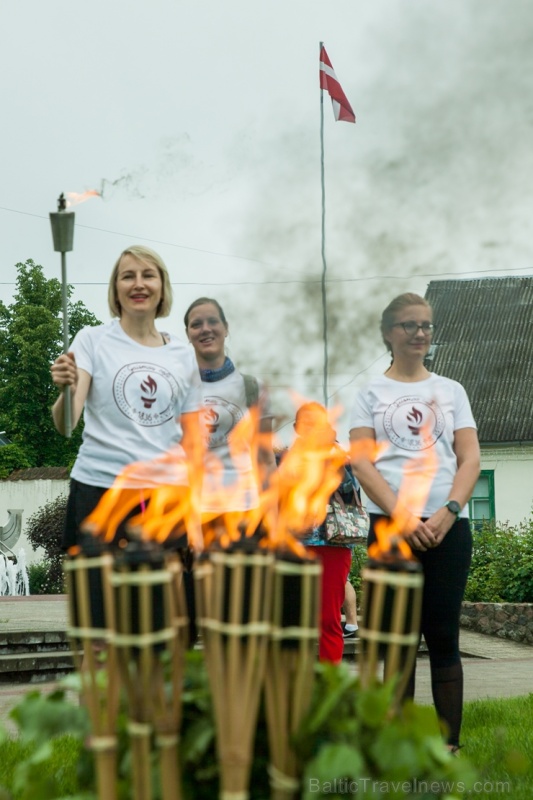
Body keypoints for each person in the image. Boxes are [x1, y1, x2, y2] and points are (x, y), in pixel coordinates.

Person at [349, 292, 480, 752]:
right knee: (398, 640)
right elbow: (362, 464)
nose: (419, 334)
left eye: (426, 326)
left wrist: (450, 511)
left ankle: (449, 747)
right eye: (409, 325)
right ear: (388, 333)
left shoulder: (451, 391)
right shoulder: (369, 394)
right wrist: (403, 515)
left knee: (443, 633)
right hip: (391, 529)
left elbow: (470, 458)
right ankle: (398, 746)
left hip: (448, 529)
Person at [51, 244, 202, 551]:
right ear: (115, 289)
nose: (138, 284)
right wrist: (66, 389)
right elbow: (67, 425)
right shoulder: (92, 340)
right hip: (100, 490)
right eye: (127, 276)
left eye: (148, 275)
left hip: (166, 498)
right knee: (99, 597)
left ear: (162, 287)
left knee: (168, 598)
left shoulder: (184, 357)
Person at [184, 297, 276, 539]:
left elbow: (266, 460)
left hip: (246, 512)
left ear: (226, 328)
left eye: (213, 321)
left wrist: (274, 522)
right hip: (191, 513)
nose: (205, 329)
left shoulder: (253, 387)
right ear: (188, 333)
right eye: (196, 324)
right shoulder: (177, 388)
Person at [286, 402, 356, 664]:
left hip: (333, 545)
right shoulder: (286, 459)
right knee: (294, 618)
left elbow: (351, 495)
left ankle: (330, 682)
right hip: (294, 545)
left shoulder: (339, 457)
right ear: (296, 428)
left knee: (328, 618)